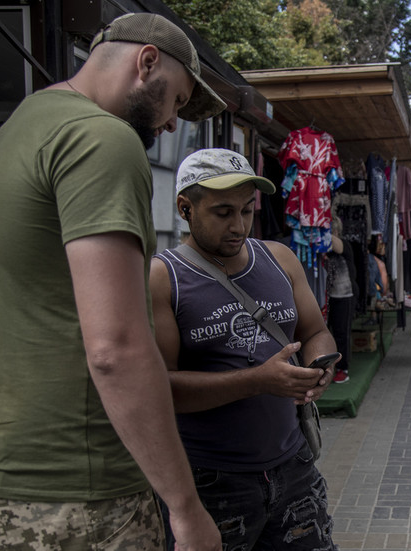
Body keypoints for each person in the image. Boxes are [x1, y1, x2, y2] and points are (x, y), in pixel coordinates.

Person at [0, 12, 226, 550]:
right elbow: (116, 349)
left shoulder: (18, 129)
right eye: (176, 100)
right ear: (146, 62)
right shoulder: (101, 139)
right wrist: (185, 506)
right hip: (80, 490)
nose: (173, 123)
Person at [150, 148, 340, 550]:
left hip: (294, 466)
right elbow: (161, 389)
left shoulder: (280, 258)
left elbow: (315, 330)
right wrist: (258, 381)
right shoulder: (163, 278)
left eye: (247, 211)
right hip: (211, 479)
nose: (238, 226)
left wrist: (319, 365)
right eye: (222, 213)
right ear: (186, 208)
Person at [327, 215, 358, 383]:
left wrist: (320, 227)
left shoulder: (344, 245)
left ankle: (343, 368)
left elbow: (336, 246)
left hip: (344, 295)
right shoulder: (323, 248)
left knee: (341, 333)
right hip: (326, 295)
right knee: (326, 331)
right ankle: (328, 367)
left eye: (331, 230)